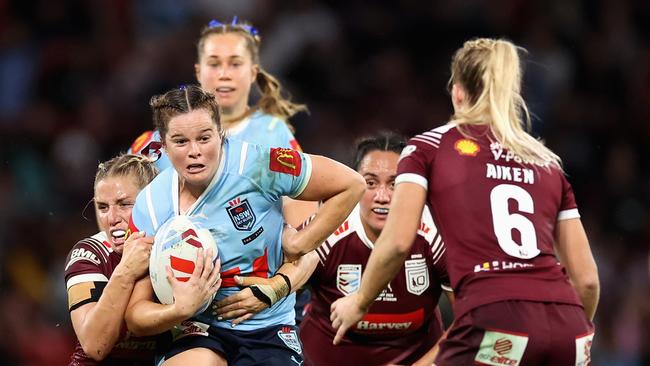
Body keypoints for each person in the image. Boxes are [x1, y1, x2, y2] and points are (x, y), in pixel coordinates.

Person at [330, 38, 600, 366]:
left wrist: (359, 301)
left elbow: (397, 242)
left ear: (457, 92)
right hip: (570, 330)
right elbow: (586, 280)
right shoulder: (546, 162)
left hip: (497, 320)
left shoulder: (428, 147)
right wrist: (560, 333)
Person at [124, 84, 364, 366]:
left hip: (267, 327)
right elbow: (136, 317)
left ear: (221, 134)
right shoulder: (150, 204)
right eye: (180, 141)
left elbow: (351, 184)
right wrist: (179, 310)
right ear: (163, 146)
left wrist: (301, 243)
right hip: (195, 328)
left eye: (204, 138)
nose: (195, 151)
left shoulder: (260, 165)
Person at [128, 17, 317, 321]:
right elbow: (119, 215)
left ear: (253, 72)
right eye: (214, 63)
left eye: (235, 63)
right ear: (198, 71)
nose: (224, 74)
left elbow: (306, 238)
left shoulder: (273, 134)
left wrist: (276, 288)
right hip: (181, 308)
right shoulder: (152, 146)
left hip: (259, 307)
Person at [292, 131, 451, 366]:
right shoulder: (327, 230)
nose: (382, 196)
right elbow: (280, 291)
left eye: (395, 184)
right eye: (370, 183)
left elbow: (471, 318)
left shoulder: (437, 233)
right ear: (355, 186)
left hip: (418, 358)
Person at [64, 154, 165, 365]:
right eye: (103, 207)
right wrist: (126, 271)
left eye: (124, 204)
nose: (111, 218)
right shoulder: (88, 254)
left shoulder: (181, 245)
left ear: (153, 202)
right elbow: (93, 346)